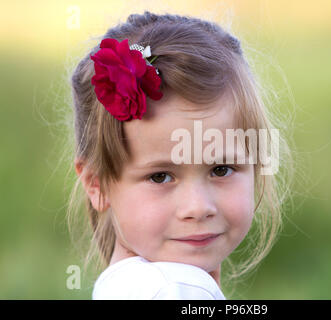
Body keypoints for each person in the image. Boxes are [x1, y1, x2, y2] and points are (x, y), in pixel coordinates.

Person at [68, 11, 293, 299]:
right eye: (160, 176)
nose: (198, 208)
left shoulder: (128, 286)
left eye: (221, 169)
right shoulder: (174, 290)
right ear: (97, 184)